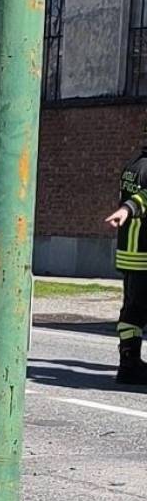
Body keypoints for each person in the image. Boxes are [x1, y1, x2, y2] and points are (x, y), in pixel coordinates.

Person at [102, 126, 147, 385]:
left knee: (131, 310)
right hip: (143, 252)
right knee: (138, 310)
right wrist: (130, 208)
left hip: (129, 253)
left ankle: (128, 363)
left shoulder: (133, 164)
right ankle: (130, 365)